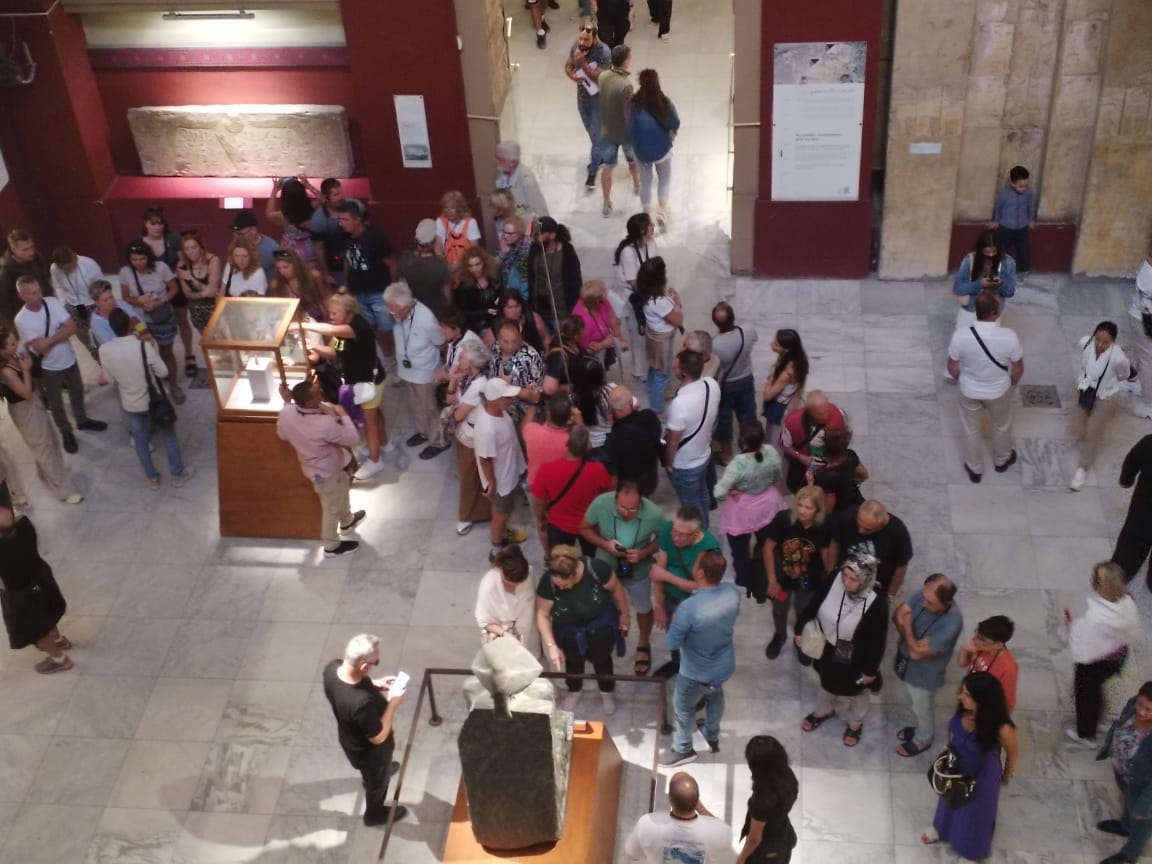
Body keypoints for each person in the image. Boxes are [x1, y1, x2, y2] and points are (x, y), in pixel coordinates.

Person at [923, 672, 1018, 860]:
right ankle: (942, 829)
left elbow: (1013, 754)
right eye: (962, 691)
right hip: (957, 764)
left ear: (983, 700)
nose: (960, 697)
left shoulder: (1002, 728)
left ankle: (971, 849)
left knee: (976, 813)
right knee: (949, 797)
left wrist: (1006, 775)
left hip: (982, 774)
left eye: (967, 695)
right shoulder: (964, 710)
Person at [797, 553, 888, 747]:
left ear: (865, 580)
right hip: (827, 647)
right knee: (826, 682)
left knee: (857, 692)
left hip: (856, 656)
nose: (845, 582)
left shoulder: (877, 602)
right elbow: (815, 603)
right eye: (845, 575)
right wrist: (800, 628)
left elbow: (877, 640)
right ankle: (823, 711)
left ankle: (855, 722)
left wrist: (870, 670)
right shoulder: (834, 579)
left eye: (853, 579)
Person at [660, 550, 740, 766]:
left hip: (697, 673)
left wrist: (675, 619)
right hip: (724, 666)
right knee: (714, 694)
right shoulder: (732, 593)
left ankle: (683, 749)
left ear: (701, 573)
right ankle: (711, 736)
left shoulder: (688, 608)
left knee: (683, 708)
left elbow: (672, 643)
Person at [99, 309, 194, 489]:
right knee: (168, 435)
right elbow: (163, 372)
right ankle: (177, 475)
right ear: (130, 324)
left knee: (141, 440)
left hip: (131, 403)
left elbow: (110, 379)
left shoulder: (105, 350)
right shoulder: (142, 346)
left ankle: (152, 478)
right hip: (154, 400)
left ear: (112, 328)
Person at [302, 292, 391, 480]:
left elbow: (329, 330)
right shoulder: (341, 330)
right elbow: (333, 351)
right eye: (330, 313)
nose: (331, 316)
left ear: (348, 312)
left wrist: (302, 325)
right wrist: (313, 346)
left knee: (370, 423)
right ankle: (383, 443)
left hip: (370, 381)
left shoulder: (357, 327)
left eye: (334, 313)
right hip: (360, 381)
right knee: (375, 413)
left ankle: (375, 460)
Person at [15, 276, 109, 452]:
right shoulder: (22, 319)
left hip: (69, 359)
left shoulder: (51, 302)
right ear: (22, 296)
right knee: (56, 403)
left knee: (77, 392)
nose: (38, 295)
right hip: (49, 368)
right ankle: (65, 431)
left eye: (38, 290)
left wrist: (49, 340)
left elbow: (72, 327)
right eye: (33, 293)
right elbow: (40, 348)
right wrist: (60, 332)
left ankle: (82, 420)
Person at [580, 481, 665, 676]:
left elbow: (665, 538)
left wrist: (644, 553)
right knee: (602, 606)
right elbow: (584, 529)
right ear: (615, 499)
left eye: (633, 509)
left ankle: (643, 644)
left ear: (641, 502)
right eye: (622, 508)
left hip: (638, 568)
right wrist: (605, 544)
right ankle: (605, 639)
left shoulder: (654, 514)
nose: (626, 513)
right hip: (605, 566)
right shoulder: (601, 503)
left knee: (643, 607)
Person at [322, 633, 407, 826]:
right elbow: (378, 737)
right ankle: (374, 815)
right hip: (372, 754)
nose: (376, 664)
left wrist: (376, 684)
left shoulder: (332, 669)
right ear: (364, 666)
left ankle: (373, 776)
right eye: (375, 662)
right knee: (378, 784)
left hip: (351, 741)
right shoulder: (361, 704)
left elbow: (352, 683)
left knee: (373, 774)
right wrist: (393, 704)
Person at [535, 543, 631, 715]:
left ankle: (607, 692)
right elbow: (542, 614)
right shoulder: (548, 581)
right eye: (558, 585)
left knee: (602, 661)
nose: (560, 588)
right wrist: (551, 645)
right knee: (573, 662)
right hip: (568, 631)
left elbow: (616, 589)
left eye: (564, 585)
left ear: (574, 574)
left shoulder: (596, 569)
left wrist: (624, 614)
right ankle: (575, 690)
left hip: (600, 628)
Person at [276, 379, 365, 557]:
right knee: (331, 508)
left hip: (316, 468)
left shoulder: (287, 412)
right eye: (318, 393)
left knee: (341, 492)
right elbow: (352, 438)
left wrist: (286, 402)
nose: (321, 394)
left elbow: (282, 434)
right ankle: (331, 546)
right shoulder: (324, 424)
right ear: (310, 402)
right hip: (327, 472)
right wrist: (344, 415)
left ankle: (347, 521)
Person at [0, 322, 83, 504]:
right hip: (24, 410)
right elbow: (25, 393)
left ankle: (48, 473)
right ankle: (64, 490)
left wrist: (28, 360)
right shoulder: (5, 372)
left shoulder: (13, 357)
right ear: (1, 350)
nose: (16, 345)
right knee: (42, 447)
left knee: (49, 439)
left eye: (15, 341)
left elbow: (30, 375)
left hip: (35, 402)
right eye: (11, 344)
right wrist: (25, 370)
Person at [947, 291, 1023, 482]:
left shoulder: (961, 336)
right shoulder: (1009, 337)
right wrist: (1012, 383)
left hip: (969, 390)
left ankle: (975, 469)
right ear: (995, 312)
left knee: (971, 429)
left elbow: (952, 366)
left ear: (977, 311)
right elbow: (1018, 368)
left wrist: (963, 379)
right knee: (1001, 425)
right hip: (999, 391)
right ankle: (1002, 460)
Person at [1065, 561, 1140, 746]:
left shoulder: (1096, 617)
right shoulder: (1128, 602)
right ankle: (1097, 720)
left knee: (1085, 694)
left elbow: (1084, 647)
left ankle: (1086, 733)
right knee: (1096, 690)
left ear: (1098, 584)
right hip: (1117, 657)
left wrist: (1073, 626)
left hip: (1095, 662)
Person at [892, 573, 964, 757]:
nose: (923, 604)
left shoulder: (952, 623)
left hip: (925, 676)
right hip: (906, 664)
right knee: (914, 704)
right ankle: (920, 729)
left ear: (946, 603)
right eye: (924, 598)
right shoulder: (925, 594)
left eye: (930, 603)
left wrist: (907, 626)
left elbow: (916, 653)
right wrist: (914, 642)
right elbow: (897, 614)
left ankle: (923, 738)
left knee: (922, 708)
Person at [715, 420, 787, 599]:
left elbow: (718, 492)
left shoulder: (738, 464)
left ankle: (744, 579)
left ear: (742, 441)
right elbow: (777, 476)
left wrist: (731, 491)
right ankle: (765, 571)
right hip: (768, 505)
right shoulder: (771, 452)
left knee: (740, 550)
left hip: (741, 510)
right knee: (767, 544)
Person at [650, 506, 721, 677]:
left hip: (695, 605)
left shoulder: (710, 550)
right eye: (675, 531)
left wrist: (667, 576)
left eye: (682, 535)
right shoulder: (668, 530)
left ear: (696, 533)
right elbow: (659, 568)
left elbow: (703, 587)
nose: (676, 537)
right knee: (674, 634)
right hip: (670, 598)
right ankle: (677, 663)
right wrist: (659, 605)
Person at [0, 505, 72, 674]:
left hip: (21, 594)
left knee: (38, 631)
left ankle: (59, 659)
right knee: (48, 612)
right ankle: (59, 640)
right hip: (41, 578)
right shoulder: (25, 525)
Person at [762, 485, 830, 661]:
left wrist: (829, 578)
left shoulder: (823, 526)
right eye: (800, 505)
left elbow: (825, 553)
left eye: (808, 507)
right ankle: (780, 635)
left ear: (818, 510)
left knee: (804, 610)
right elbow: (768, 548)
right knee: (780, 609)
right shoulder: (784, 520)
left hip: (808, 580)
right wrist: (772, 580)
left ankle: (799, 638)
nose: (802, 511)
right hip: (783, 579)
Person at [385, 281, 449, 460]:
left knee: (429, 407)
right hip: (407, 370)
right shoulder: (400, 315)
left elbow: (440, 343)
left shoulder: (426, 319)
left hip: (425, 371)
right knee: (415, 404)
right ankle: (424, 432)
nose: (389, 311)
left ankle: (439, 441)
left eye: (392, 308)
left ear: (405, 307)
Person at [119, 240, 185, 404]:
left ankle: (174, 385)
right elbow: (125, 296)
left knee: (166, 351)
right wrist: (138, 301)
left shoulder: (161, 267)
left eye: (142, 258)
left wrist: (159, 302)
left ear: (148, 257)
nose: (138, 263)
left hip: (161, 316)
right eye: (134, 260)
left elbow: (174, 288)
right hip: (140, 320)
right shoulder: (125, 272)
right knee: (143, 353)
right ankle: (152, 387)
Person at [531, 424, 613, 553]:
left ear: (567, 445)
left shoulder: (546, 470)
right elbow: (608, 496)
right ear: (588, 446)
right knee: (591, 560)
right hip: (589, 526)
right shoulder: (598, 470)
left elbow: (539, 502)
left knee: (561, 561)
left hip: (559, 526)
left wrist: (541, 519)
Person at [1070, 321, 1132, 491]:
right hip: (1085, 390)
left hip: (1106, 395)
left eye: (1105, 342)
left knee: (1093, 431)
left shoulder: (1118, 358)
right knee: (1077, 425)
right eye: (1097, 339)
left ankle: (1082, 468)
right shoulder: (1085, 343)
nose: (1099, 345)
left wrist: (1108, 382)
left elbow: (1124, 375)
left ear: (1113, 342)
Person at [1096, 681, 1152, 864]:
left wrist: (1144, 806)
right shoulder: (1132, 705)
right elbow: (1119, 724)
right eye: (1140, 704)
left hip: (1144, 785)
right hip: (1124, 771)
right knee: (1128, 798)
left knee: (1143, 821)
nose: (1141, 712)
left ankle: (1130, 855)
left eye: (1149, 710)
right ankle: (1126, 826)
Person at [474, 378, 530, 556]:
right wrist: (492, 484)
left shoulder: (499, 411)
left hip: (510, 470)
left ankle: (505, 534)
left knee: (506, 511)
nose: (511, 399)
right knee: (501, 514)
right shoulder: (488, 429)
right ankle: (497, 549)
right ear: (493, 401)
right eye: (506, 397)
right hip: (501, 482)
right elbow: (485, 459)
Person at [665, 349, 720, 529]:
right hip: (704, 453)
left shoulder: (679, 404)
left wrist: (669, 463)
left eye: (676, 367)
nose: (674, 368)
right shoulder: (712, 384)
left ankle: (700, 535)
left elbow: (673, 441)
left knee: (691, 506)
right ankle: (706, 526)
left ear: (683, 373)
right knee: (702, 493)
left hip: (686, 463)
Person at [624, 772, 732, 862]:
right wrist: (698, 805)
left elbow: (633, 853)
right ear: (697, 799)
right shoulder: (718, 830)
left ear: (670, 799)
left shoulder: (647, 823)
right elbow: (726, 841)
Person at [337, 199, 396, 361]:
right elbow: (347, 261)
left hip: (379, 292)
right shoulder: (343, 237)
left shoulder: (375, 237)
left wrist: (391, 290)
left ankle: (393, 356)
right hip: (358, 292)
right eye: (340, 219)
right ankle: (385, 357)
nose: (341, 223)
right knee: (371, 328)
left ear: (357, 219)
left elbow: (391, 263)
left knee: (386, 328)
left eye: (345, 219)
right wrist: (347, 285)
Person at [138, 207, 194, 374]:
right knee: (157, 324)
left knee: (182, 320)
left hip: (174, 285)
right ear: (145, 224)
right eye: (153, 224)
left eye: (160, 224)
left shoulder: (173, 239)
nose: (157, 227)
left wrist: (177, 271)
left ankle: (189, 354)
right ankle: (164, 358)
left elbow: (183, 261)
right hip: (153, 290)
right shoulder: (140, 243)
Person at [447, 338, 492, 536]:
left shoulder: (478, 385)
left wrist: (452, 409)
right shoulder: (467, 378)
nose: (458, 361)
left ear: (472, 362)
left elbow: (458, 414)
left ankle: (466, 516)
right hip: (466, 434)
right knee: (470, 475)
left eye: (462, 358)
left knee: (469, 477)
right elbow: (449, 398)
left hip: (474, 437)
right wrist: (453, 380)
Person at [825, 499, 914, 599]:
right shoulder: (847, 516)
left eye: (867, 529)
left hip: (874, 587)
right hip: (845, 577)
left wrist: (890, 595)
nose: (860, 531)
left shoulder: (898, 532)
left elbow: (901, 566)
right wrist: (830, 573)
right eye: (859, 524)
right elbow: (835, 543)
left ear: (881, 526)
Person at [626, 68, 680, 229]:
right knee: (664, 180)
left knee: (645, 181)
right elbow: (675, 123)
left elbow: (628, 131)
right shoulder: (665, 103)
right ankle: (661, 210)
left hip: (641, 153)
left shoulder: (633, 106)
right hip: (662, 150)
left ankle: (646, 213)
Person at [564, 19, 612, 191]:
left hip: (598, 101)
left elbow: (600, 78)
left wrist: (583, 63)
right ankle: (602, 153)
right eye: (581, 39)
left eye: (586, 40)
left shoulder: (603, 52)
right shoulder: (576, 47)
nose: (582, 43)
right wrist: (572, 76)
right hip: (583, 99)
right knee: (594, 136)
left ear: (595, 38)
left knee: (596, 138)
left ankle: (592, 171)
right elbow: (568, 65)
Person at [736, 736, 799, 864]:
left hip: (767, 852)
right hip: (785, 836)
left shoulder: (762, 801)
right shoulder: (788, 776)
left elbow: (755, 839)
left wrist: (741, 858)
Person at [711, 302, 758, 463]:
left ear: (715, 322)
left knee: (724, 418)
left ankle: (727, 454)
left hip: (727, 384)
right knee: (748, 415)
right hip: (746, 379)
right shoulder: (748, 331)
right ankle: (751, 448)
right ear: (733, 317)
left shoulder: (714, 344)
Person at [597, 45, 641, 217]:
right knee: (632, 160)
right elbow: (627, 113)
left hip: (607, 130)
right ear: (625, 61)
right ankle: (637, 185)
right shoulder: (626, 85)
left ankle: (606, 202)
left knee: (607, 168)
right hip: (624, 133)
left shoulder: (603, 76)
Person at [614, 213, 657, 382]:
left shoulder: (651, 244)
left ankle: (649, 364)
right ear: (641, 231)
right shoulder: (628, 252)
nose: (653, 227)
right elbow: (634, 282)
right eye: (650, 225)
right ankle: (640, 370)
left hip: (648, 293)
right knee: (637, 334)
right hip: (634, 299)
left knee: (649, 332)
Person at [475, 543, 538, 653]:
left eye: (519, 583)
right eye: (509, 584)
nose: (515, 587)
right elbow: (484, 622)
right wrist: (506, 634)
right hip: (502, 635)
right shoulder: (488, 586)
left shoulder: (529, 572)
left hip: (528, 632)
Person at [779, 389, 845, 492]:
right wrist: (802, 458)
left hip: (828, 464)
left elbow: (841, 444)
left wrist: (832, 460)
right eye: (820, 414)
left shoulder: (836, 416)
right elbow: (784, 445)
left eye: (828, 410)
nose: (826, 416)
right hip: (802, 462)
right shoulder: (792, 421)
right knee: (795, 486)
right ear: (810, 412)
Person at [48, 245, 102, 373]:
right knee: (88, 342)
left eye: (72, 265)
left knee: (101, 338)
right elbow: (58, 287)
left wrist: (100, 304)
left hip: (92, 305)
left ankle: (111, 365)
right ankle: (101, 365)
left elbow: (101, 285)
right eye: (65, 268)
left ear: (74, 257)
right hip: (72, 308)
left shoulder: (89, 264)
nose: (70, 269)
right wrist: (63, 304)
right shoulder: (54, 269)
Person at [639, 257, 683, 413]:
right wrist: (677, 302)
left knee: (654, 364)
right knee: (662, 373)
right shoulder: (659, 302)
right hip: (662, 341)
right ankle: (656, 407)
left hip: (652, 335)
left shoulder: (645, 293)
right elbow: (678, 320)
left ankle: (651, 388)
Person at [602, 385, 663, 496]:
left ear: (612, 409)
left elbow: (614, 471)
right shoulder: (650, 417)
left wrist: (612, 425)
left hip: (629, 487)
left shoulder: (613, 439)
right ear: (631, 403)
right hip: (650, 480)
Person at [950, 229, 1018, 329]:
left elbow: (1010, 292)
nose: (991, 255)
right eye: (987, 252)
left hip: (993, 314)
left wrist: (1000, 284)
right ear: (980, 250)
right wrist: (979, 284)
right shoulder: (970, 260)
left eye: (994, 251)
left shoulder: (1008, 262)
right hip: (970, 311)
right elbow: (958, 288)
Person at [957, 615, 1019, 711]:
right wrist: (964, 649)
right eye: (976, 634)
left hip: (984, 708)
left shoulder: (1008, 668)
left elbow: (1008, 703)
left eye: (982, 640)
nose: (975, 640)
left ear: (998, 645)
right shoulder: (979, 643)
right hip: (967, 697)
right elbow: (962, 663)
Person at [487, 316, 544, 423]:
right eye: (506, 341)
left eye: (514, 341)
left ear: (520, 337)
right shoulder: (496, 348)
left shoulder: (530, 357)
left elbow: (535, 397)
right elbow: (502, 369)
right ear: (498, 338)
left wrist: (507, 387)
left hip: (521, 413)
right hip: (496, 406)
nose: (510, 346)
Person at [1113, 434, 1152, 585]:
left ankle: (1120, 578)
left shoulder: (1149, 442)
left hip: (1143, 512)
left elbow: (1132, 460)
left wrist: (1126, 480)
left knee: (1130, 548)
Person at [529, 217, 583, 323]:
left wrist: (573, 312)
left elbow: (575, 282)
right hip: (539, 308)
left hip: (559, 311)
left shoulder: (567, 252)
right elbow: (531, 277)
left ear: (552, 235)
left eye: (539, 234)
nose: (535, 237)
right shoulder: (535, 249)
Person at [762, 329, 809, 447]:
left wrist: (770, 379)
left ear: (786, 349)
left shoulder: (786, 373)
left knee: (774, 441)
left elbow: (767, 396)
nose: (771, 344)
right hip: (789, 402)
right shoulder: (798, 359)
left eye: (776, 344)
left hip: (779, 409)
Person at [988, 165, 1037, 277]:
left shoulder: (1029, 193)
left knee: (1023, 250)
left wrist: (1031, 220)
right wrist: (996, 221)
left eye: (1026, 186)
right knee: (1002, 249)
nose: (1024, 189)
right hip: (1005, 227)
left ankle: (1023, 271)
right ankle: (996, 270)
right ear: (1012, 184)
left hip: (1022, 227)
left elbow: (1031, 207)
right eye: (1020, 186)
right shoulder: (1004, 194)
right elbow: (998, 208)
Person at [174, 230, 222, 338]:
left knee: (219, 340)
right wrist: (204, 293)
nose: (190, 252)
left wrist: (191, 279)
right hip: (196, 311)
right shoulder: (182, 265)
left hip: (214, 308)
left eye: (193, 248)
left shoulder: (213, 260)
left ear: (201, 247)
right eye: (186, 249)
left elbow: (213, 292)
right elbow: (187, 294)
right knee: (206, 341)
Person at [398, 219, 452, 314]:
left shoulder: (405, 259)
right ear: (434, 241)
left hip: (414, 313)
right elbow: (448, 297)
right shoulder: (441, 265)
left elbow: (402, 289)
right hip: (436, 314)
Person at [264, 176, 319, 269]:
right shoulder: (311, 208)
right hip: (309, 248)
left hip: (290, 251)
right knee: (309, 274)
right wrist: (308, 186)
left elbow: (269, 213)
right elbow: (322, 198)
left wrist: (274, 190)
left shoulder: (283, 216)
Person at [809, 427, 867, 513]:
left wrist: (810, 484)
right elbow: (864, 475)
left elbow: (829, 509)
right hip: (857, 502)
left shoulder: (826, 476)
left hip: (843, 512)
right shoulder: (850, 455)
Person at [522, 393, 574, 489]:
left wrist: (533, 404)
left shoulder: (532, 430)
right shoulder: (570, 441)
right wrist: (579, 423)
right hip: (557, 485)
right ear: (569, 418)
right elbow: (585, 448)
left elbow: (524, 426)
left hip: (535, 482)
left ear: (548, 414)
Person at [0, 229, 52, 320]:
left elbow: (45, 281)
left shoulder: (37, 258)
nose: (31, 252)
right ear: (14, 249)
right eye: (25, 249)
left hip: (45, 307)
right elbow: (3, 302)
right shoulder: (6, 271)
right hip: (25, 315)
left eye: (32, 247)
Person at [573, 278, 625, 369]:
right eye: (604, 291)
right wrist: (603, 345)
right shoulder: (583, 322)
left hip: (605, 341)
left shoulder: (602, 301)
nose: (606, 292)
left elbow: (612, 316)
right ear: (597, 301)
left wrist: (618, 337)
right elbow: (584, 351)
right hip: (591, 356)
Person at [453, 245, 501, 338]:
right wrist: (485, 312)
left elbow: (500, 296)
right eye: (470, 266)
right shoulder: (464, 287)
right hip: (477, 327)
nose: (474, 269)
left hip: (496, 322)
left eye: (477, 264)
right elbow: (463, 314)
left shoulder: (493, 279)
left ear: (484, 263)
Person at [1127, 242, 1152, 420]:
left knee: (1143, 356)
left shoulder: (1146, 270)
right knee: (1144, 357)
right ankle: (1147, 400)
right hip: (1144, 320)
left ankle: (1132, 380)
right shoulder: (1147, 275)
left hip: (1141, 318)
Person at [309, 177, 349, 288]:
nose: (341, 197)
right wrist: (326, 274)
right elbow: (319, 249)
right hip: (336, 267)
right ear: (326, 197)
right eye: (336, 195)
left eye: (341, 193)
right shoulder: (318, 220)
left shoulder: (354, 206)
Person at [270, 247, 329, 323]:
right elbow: (279, 309)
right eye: (279, 268)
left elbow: (324, 300)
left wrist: (327, 321)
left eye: (285, 267)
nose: (282, 271)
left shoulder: (313, 276)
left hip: (317, 320)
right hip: (295, 321)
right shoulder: (276, 285)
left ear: (295, 265)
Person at [494, 140, 548, 219]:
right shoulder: (502, 175)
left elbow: (537, 209)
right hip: (507, 223)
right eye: (496, 158)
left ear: (513, 162)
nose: (497, 162)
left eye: (501, 159)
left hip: (523, 224)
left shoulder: (526, 180)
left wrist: (514, 211)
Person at [541, 316, 589, 397]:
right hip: (568, 400)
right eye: (582, 330)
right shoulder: (558, 356)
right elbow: (548, 389)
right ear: (575, 335)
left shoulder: (574, 345)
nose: (583, 333)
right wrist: (567, 388)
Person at [230, 208, 281, 284]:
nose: (237, 238)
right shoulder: (237, 245)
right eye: (235, 234)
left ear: (253, 230)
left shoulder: (271, 249)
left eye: (241, 234)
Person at [489, 288, 546, 355]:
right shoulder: (495, 328)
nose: (514, 311)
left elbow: (546, 340)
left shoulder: (533, 318)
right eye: (509, 307)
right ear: (502, 309)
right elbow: (486, 354)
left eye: (517, 306)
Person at [435, 190, 482, 267]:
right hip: (446, 265)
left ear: (460, 208)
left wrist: (458, 265)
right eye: (446, 208)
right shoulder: (440, 221)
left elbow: (474, 249)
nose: (449, 211)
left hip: (466, 265)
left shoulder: (471, 222)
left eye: (452, 208)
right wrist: (443, 265)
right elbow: (438, 245)